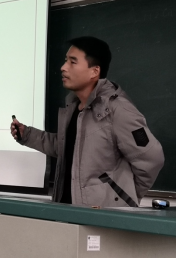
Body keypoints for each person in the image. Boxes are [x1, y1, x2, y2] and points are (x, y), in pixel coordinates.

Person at [11, 37, 164, 207]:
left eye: (72, 62)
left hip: (101, 216)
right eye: (65, 61)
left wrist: (124, 197)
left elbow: (152, 158)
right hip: (66, 210)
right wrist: (27, 135)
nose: (63, 67)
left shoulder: (118, 109)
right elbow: (67, 147)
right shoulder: (73, 107)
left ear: (94, 71)